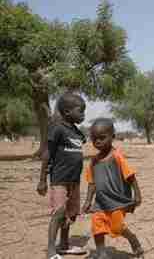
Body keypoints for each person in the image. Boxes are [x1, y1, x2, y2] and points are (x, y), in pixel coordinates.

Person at [82, 118, 143, 258]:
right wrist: (87, 202)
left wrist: (137, 195)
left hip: (117, 201)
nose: (98, 142)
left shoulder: (117, 156)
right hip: (101, 202)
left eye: (102, 138)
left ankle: (132, 238)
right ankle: (102, 253)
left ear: (112, 137)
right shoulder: (93, 161)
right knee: (97, 226)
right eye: (94, 139)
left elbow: (130, 176)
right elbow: (91, 183)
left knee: (117, 227)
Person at [36, 93, 87, 259]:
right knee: (59, 213)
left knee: (71, 214)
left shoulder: (77, 132)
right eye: (80, 111)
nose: (83, 115)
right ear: (66, 112)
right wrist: (43, 179)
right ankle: (51, 250)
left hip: (75, 181)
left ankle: (64, 245)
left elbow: (81, 144)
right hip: (60, 180)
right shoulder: (57, 129)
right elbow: (47, 153)